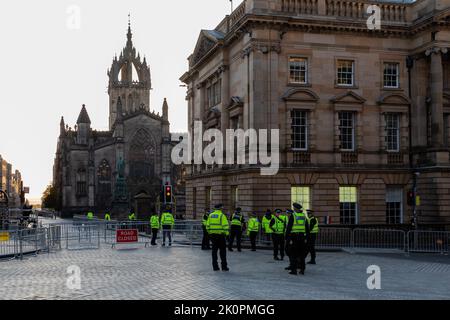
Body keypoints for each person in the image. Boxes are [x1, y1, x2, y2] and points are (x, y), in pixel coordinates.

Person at [285, 203, 309, 275]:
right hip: (302, 237)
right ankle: (302, 270)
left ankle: (294, 270)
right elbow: (307, 228)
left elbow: (289, 228)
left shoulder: (293, 216)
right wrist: (306, 238)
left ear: (295, 209)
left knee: (293, 254)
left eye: (294, 208)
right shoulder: (304, 216)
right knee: (301, 254)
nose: (293, 209)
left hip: (294, 237)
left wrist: (287, 238)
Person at [206, 204, 230, 271]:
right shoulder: (222, 216)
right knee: (222, 252)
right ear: (221, 208)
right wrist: (227, 235)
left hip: (213, 236)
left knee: (214, 252)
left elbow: (207, 226)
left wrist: (210, 234)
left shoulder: (210, 215)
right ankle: (224, 267)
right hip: (221, 236)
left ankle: (215, 267)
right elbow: (225, 226)